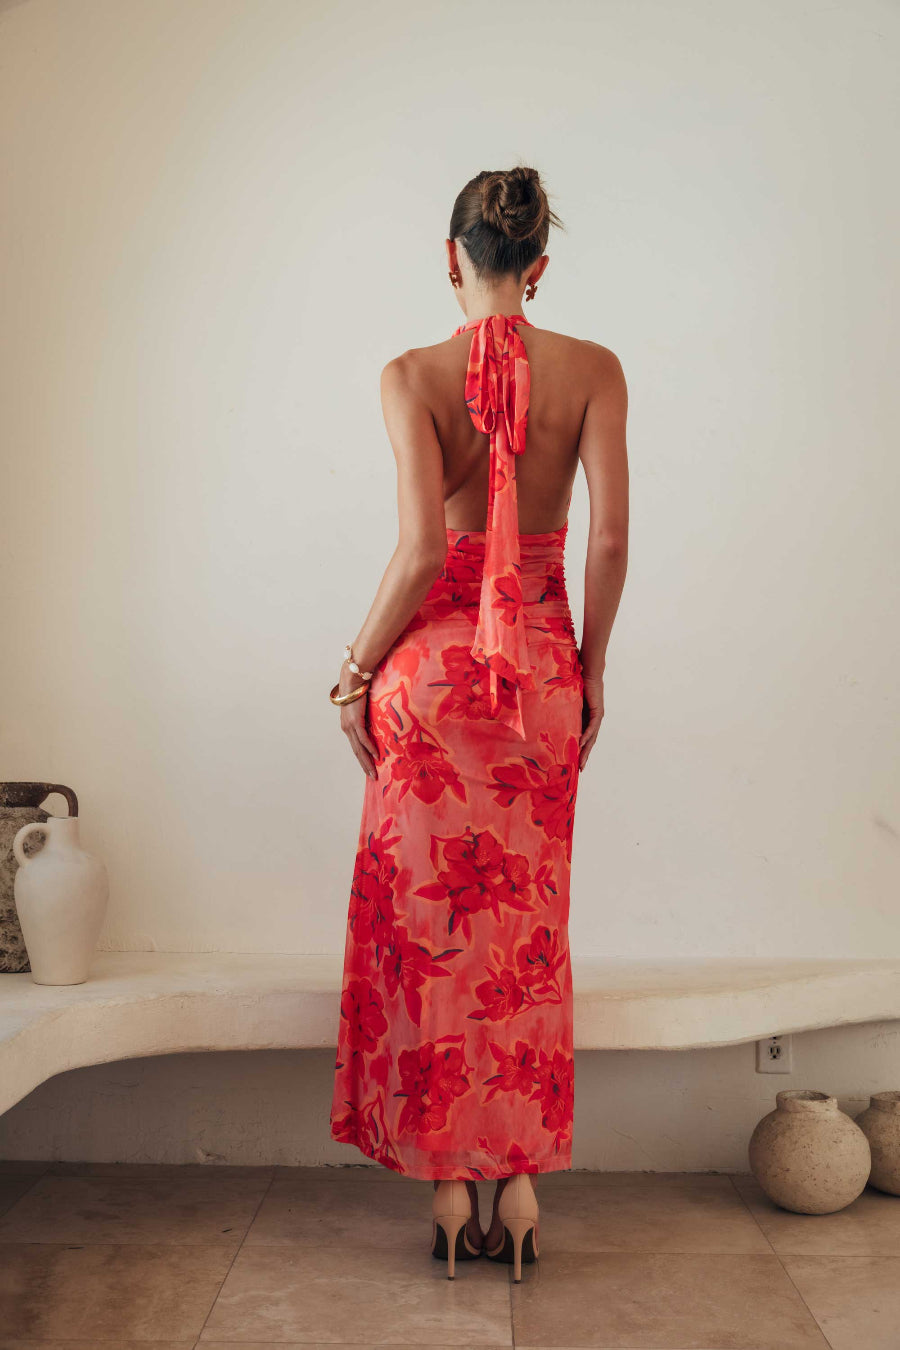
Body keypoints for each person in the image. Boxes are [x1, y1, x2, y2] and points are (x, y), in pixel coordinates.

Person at [328, 166, 629, 1281]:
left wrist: (355, 675)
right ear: (539, 267)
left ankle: (450, 1183)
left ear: (449, 257)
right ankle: (524, 1182)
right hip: (540, 668)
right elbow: (604, 544)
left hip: (431, 676)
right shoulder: (595, 371)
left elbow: (419, 553)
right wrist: (591, 672)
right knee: (524, 935)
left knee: (432, 930)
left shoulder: (409, 375)